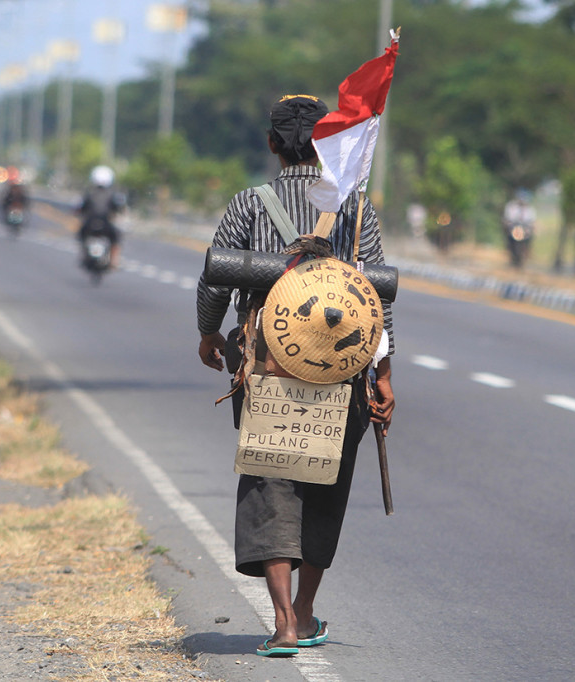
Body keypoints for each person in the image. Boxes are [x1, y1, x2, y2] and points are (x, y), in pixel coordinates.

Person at [196, 94, 395, 657]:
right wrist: (384, 374)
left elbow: (214, 278)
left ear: (272, 144)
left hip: (264, 366)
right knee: (324, 484)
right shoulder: (355, 206)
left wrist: (210, 333)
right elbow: (376, 298)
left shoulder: (248, 203)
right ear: (325, 143)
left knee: (269, 480)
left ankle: (282, 621)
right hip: (344, 370)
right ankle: (305, 611)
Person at [77, 165, 124, 269]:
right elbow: (118, 209)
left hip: (89, 224)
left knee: (80, 235)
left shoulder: (88, 193)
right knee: (116, 238)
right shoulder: (112, 195)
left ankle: (83, 256)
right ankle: (114, 261)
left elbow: (80, 208)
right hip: (106, 224)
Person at [502, 189, 536, 268]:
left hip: (524, 229)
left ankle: (527, 252)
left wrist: (531, 227)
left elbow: (532, 221)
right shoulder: (511, 207)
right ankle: (509, 249)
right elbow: (507, 218)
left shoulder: (530, 209)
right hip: (514, 227)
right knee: (509, 237)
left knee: (529, 238)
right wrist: (508, 224)